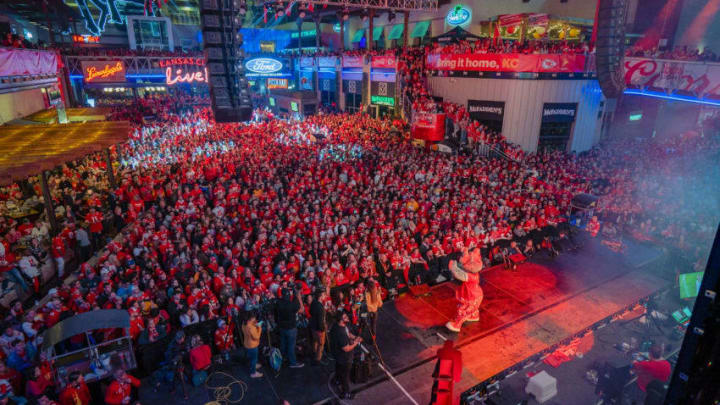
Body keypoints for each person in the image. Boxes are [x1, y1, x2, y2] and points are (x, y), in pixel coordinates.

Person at [445, 247, 484, 333]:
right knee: (473, 308)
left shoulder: (470, 276)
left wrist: (453, 266)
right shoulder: (474, 273)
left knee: (463, 310)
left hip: (470, 296)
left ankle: (456, 325)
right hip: (476, 294)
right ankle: (474, 316)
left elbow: (458, 274)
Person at [329, 310, 361, 400]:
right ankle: (345, 393)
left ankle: (337, 380)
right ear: (341, 320)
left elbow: (348, 333)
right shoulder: (340, 333)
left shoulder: (339, 326)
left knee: (338, 370)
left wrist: (354, 337)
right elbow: (346, 348)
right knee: (345, 377)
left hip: (338, 357)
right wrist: (355, 343)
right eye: (345, 317)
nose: (347, 317)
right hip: (344, 359)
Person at [274, 288, 304, 369]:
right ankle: (293, 362)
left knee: (283, 344)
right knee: (291, 346)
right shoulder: (291, 304)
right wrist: (295, 295)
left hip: (282, 327)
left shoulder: (278, 303)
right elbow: (299, 306)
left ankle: (283, 357)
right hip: (291, 328)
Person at [308, 290, 327, 365]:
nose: (325, 296)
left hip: (313, 326)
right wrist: (321, 330)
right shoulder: (320, 307)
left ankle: (314, 353)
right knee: (321, 344)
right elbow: (320, 320)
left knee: (315, 341)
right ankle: (318, 359)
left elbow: (310, 312)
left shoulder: (313, 302)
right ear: (320, 297)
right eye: (323, 295)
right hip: (318, 328)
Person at [241, 314, 263, 378]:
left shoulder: (244, 324)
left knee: (251, 358)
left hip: (247, 344)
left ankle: (254, 365)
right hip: (252, 345)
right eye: (253, 318)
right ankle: (253, 373)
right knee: (254, 359)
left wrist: (254, 324)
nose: (255, 319)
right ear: (249, 319)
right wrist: (259, 327)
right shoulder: (251, 327)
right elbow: (257, 337)